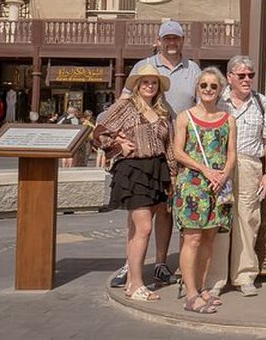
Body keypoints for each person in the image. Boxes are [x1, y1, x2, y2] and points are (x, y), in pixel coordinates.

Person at [110, 20, 202, 289]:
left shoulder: (192, 69)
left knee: (166, 209)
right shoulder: (144, 67)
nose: (172, 43)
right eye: (167, 38)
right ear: (159, 40)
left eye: (176, 38)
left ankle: (161, 262)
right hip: (142, 151)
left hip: (175, 149)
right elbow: (122, 104)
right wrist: (117, 139)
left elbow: (201, 104)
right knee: (139, 215)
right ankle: (131, 265)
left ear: (183, 40)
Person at [92, 64, 174, 302]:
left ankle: (131, 282)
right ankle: (137, 282)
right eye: (145, 82)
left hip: (157, 170)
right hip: (134, 170)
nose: (150, 86)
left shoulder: (162, 110)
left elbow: (169, 145)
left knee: (135, 229)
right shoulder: (126, 106)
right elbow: (99, 133)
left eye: (154, 82)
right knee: (144, 228)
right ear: (138, 85)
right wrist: (119, 146)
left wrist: (173, 175)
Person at [207, 55, 266, 297]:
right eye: (241, 75)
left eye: (251, 75)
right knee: (220, 219)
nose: (247, 79)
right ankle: (216, 278)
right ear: (230, 77)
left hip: (249, 164)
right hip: (221, 166)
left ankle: (244, 274)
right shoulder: (217, 100)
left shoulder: (262, 103)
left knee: (248, 219)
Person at [172, 67, 236, 314]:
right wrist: (205, 170)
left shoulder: (228, 119)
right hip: (193, 185)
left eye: (213, 86)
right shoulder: (185, 117)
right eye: (204, 86)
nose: (208, 90)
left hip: (217, 186)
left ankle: (202, 287)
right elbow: (179, 151)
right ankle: (190, 294)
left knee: (209, 238)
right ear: (197, 89)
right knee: (193, 238)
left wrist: (223, 174)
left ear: (220, 90)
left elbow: (231, 152)